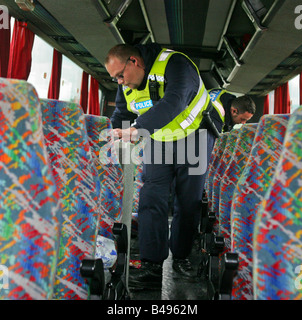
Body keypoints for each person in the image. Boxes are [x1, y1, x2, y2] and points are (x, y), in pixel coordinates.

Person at [105, 43, 223, 290]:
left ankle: (181, 257)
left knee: (187, 200)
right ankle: (152, 264)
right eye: (114, 78)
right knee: (150, 196)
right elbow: (121, 112)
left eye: (120, 75)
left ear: (134, 62)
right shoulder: (127, 86)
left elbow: (175, 101)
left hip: (196, 136)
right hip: (160, 138)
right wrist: (108, 136)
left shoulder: (176, 64)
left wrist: (136, 130)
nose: (119, 82)